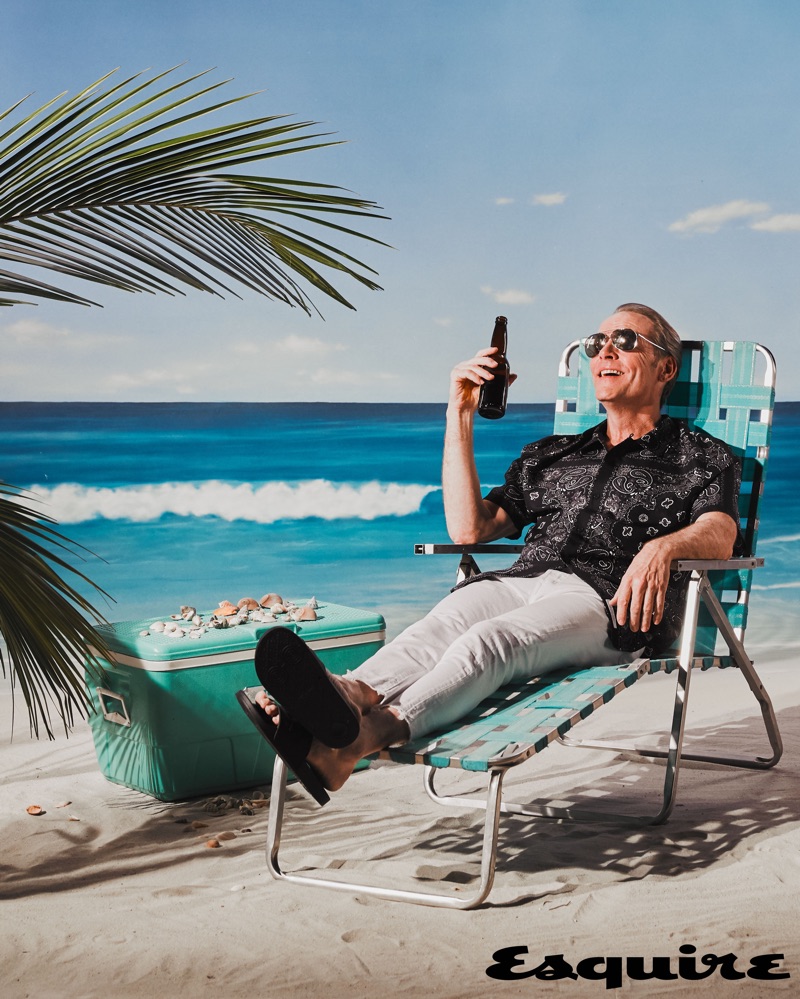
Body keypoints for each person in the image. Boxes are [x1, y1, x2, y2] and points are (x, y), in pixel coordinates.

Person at [237, 303, 742, 806]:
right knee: (433, 632)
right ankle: (347, 697)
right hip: (520, 580)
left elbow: (720, 532)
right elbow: (468, 527)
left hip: (604, 606)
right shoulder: (553, 453)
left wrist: (664, 547)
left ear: (666, 368)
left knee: (491, 643)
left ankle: (359, 742)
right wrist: (459, 411)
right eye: (596, 343)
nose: (605, 351)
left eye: (626, 341)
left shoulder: (699, 454)